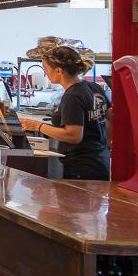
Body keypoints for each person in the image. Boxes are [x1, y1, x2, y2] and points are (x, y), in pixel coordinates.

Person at [20, 46, 110, 180]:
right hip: (100, 161)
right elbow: (111, 116)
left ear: (58, 71)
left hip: (81, 167)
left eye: (46, 69)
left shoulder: (72, 96)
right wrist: (105, 144)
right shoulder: (93, 87)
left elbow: (73, 136)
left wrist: (37, 126)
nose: (45, 73)